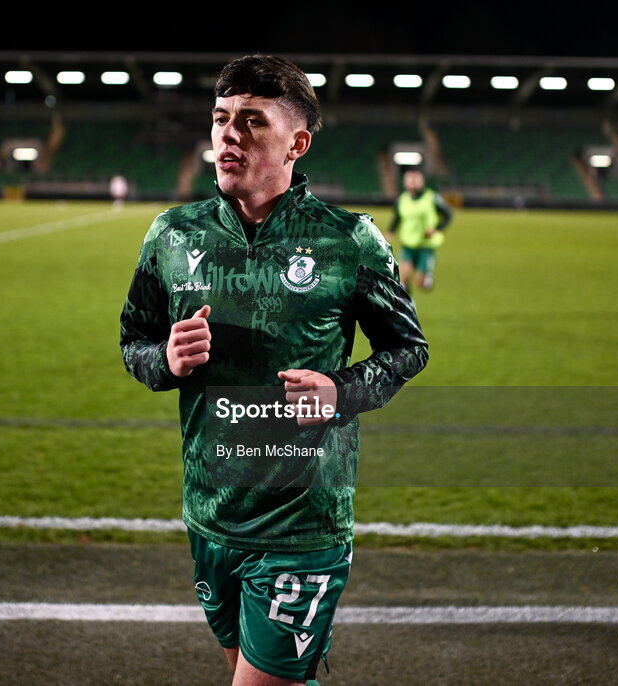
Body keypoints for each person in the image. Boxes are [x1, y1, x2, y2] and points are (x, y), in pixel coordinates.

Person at [119, 55, 428, 686]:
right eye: (221, 118)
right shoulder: (172, 234)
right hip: (211, 510)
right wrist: (166, 361)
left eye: (253, 122)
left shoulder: (349, 241)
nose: (229, 135)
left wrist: (339, 391)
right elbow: (135, 342)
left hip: (303, 519)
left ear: (297, 144)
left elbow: (407, 350)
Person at [388, 169, 453, 291]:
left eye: (415, 179)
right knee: (402, 278)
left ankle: (427, 278)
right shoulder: (402, 200)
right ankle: (407, 304)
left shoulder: (431, 197)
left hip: (425, 245)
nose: (412, 182)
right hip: (408, 245)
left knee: (421, 284)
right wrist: (390, 232)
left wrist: (436, 229)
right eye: (409, 179)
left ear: (422, 181)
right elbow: (397, 218)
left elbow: (448, 214)